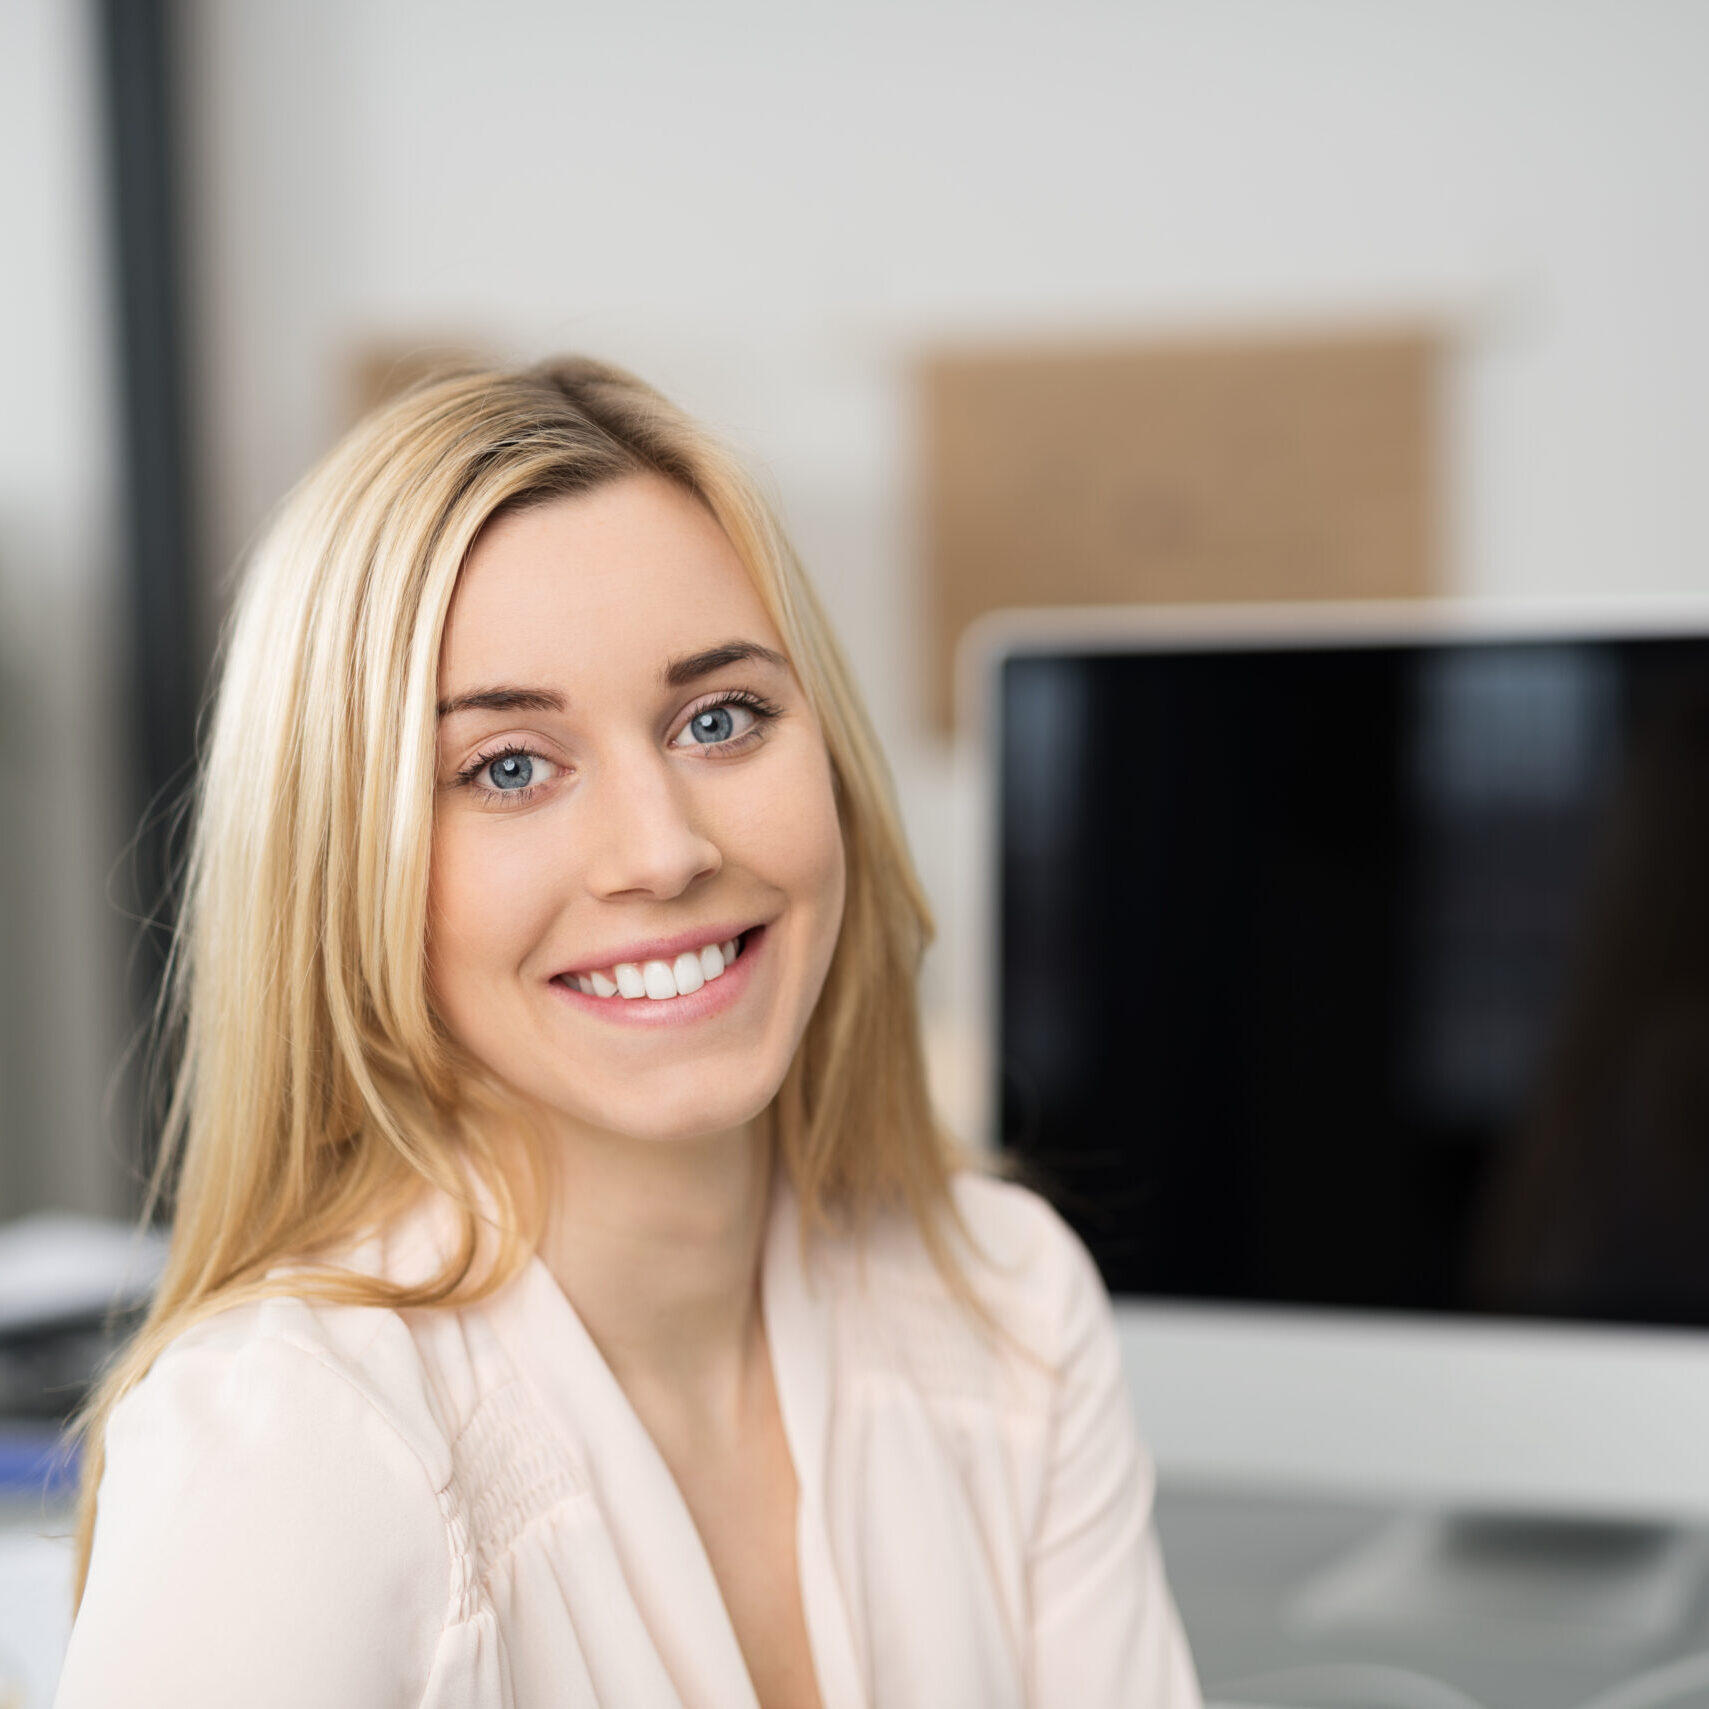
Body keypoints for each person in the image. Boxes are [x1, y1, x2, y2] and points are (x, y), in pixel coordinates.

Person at [55, 358, 1202, 1709]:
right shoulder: (291, 1448)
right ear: (341, 868)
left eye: (720, 719)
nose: (661, 851)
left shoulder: (1003, 1301)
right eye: (509, 767)